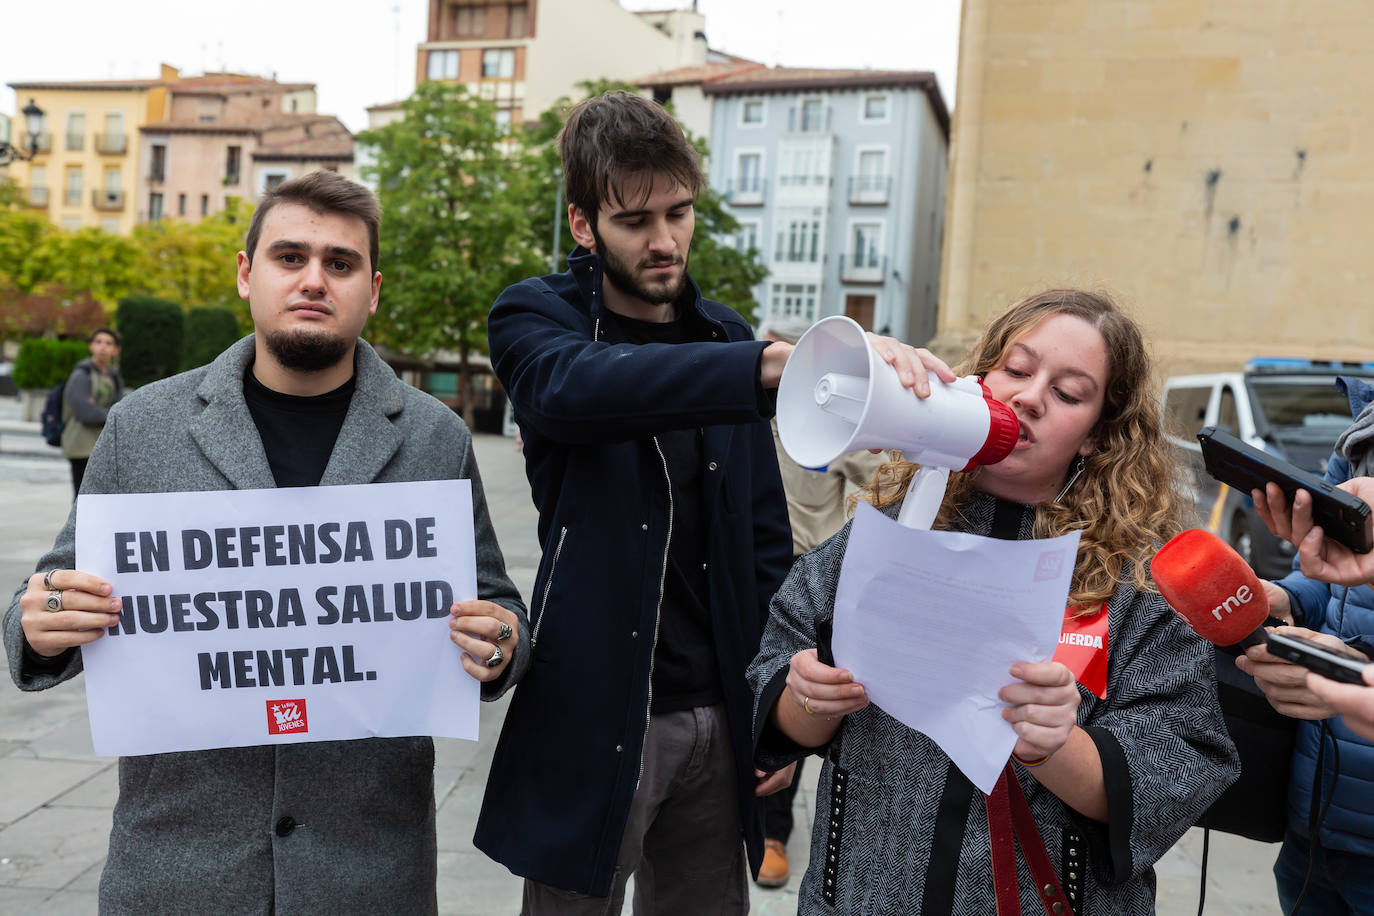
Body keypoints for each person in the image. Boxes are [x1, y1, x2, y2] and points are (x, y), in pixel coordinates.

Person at [3, 170, 529, 914]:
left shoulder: (433, 437)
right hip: (179, 870)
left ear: (371, 289)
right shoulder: (142, 426)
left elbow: (500, 608)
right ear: (247, 274)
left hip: (365, 875)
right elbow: (45, 601)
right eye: (290, 257)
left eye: (339, 264)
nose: (314, 279)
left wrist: (503, 641)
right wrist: (41, 624)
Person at [479, 91, 934, 913]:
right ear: (584, 225)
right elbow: (570, 391)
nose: (664, 240)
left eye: (680, 212)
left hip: (717, 715)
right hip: (592, 708)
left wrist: (770, 713)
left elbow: (764, 541)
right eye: (634, 220)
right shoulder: (536, 316)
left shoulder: (724, 333)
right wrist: (766, 370)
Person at [747, 289, 1240, 914]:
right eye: (1016, 369)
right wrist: (807, 699)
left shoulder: (1137, 583)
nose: (1029, 396)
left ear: (1096, 436)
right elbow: (776, 697)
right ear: (981, 379)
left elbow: (1181, 760)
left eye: (1067, 393)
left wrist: (1057, 747)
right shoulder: (888, 536)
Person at [754, 315, 886, 889]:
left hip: (802, 576)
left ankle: (772, 834)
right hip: (745, 577)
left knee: (802, 696)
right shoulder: (739, 415)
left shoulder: (833, 414)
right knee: (752, 697)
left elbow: (885, 481)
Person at [1235, 372, 1374, 914]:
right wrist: (1285, 598)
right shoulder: (1363, 432)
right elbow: (1323, 574)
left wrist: (1353, 666)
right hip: (1316, 820)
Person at [61, 326, 124, 495]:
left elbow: (122, 410)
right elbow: (86, 413)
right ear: (91, 346)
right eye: (98, 342)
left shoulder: (114, 377)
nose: (103, 347)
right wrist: (109, 412)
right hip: (80, 445)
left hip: (104, 445)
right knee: (82, 497)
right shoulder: (81, 374)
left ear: (116, 350)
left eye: (108, 343)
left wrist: (99, 408)